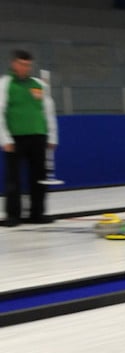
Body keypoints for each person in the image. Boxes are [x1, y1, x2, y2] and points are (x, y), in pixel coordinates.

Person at [1, 49, 58, 226]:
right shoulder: (5, 84)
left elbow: (48, 112)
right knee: (14, 178)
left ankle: (37, 213)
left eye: (28, 65)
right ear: (14, 64)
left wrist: (52, 136)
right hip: (16, 138)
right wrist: (5, 139)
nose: (26, 68)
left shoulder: (39, 85)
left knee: (39, 177)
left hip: (38, 137)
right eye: (22, 64)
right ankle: (13, 215)